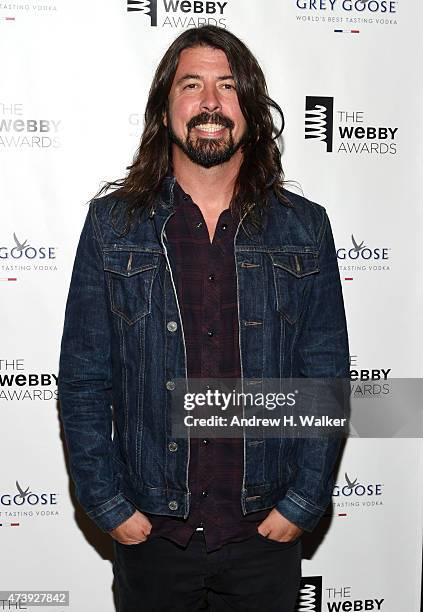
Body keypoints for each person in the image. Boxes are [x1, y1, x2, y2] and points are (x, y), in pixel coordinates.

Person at [58, 25, 350, 612]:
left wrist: (301, 504)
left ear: (251, 110)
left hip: (262, 534)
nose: (211, 103)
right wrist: (111, 507)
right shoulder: (112, 227)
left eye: (228, 86)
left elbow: (326, 379)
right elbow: (84, 381)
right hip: (154, 535)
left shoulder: (304, 228)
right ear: (165, 109)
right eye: (192, 85)